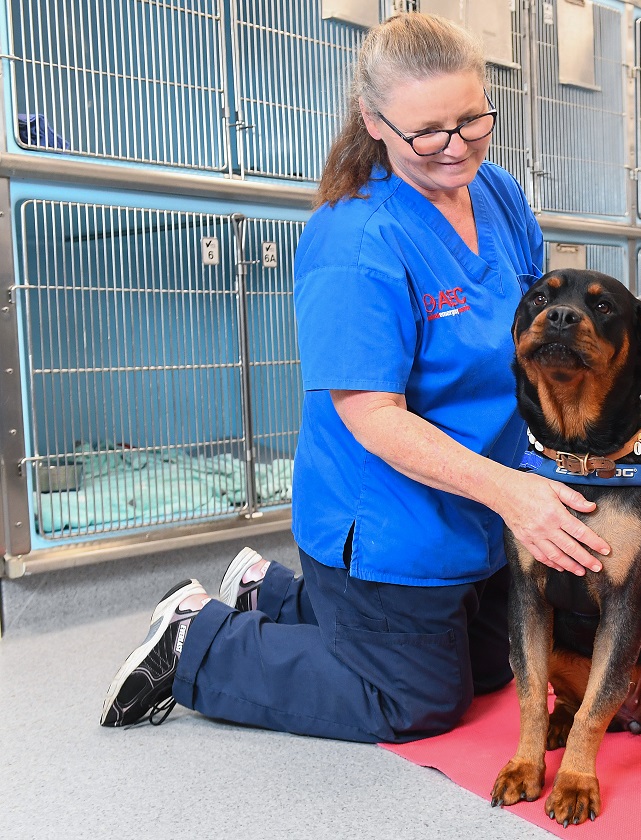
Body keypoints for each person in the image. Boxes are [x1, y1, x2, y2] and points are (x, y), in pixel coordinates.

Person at [99, 12, 609, 742]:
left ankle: (270, 595)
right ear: (373, 121)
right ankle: (197, 640)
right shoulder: (356, 238)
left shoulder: (495, 192)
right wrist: (515, 494)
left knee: (500, 663)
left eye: (472, 120)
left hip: (480, 504)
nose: (456, 146)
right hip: (388, 515)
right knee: (418, 699)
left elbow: (535, 326)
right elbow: (372, 415)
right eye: (428, 132)